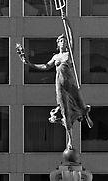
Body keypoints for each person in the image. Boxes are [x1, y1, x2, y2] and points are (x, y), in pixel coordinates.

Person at [17, 15, 92, 149]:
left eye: (64, 41)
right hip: (60, 86)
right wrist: (30, 64)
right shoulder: (56, 57)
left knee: (81, 104)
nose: (63, 42)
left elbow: (72, 38)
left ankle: (85, 115)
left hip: (70, 84)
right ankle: (70, 140)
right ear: (57, 44)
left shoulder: (68, 55)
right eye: (61, 41)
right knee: (65, 112)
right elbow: (45, 66)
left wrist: (66, 21)